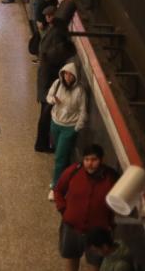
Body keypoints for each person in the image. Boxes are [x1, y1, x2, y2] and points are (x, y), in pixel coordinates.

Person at [54, 144, 119, 271]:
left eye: (94, 160)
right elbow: (58, 190)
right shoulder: (74, 171)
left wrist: (111, 224)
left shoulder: (111, 177)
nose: (89, 163)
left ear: (102, 160)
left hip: (98, 231)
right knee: (71, 257)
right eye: (86, 159)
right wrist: (63, 209)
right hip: (72, 228)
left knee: (94, 263)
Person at [35, 0, 76, 151]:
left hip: (45, 77)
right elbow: (53, 55)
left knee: (45, 113)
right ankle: (42, 144)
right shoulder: (57, 32)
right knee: (46, 113)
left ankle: (42, 143)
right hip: (48, 79)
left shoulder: (51, 29)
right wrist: (70, 48)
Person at [46, 62, 87, 200]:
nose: (67, 77)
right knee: (60, 154)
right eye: (65, 74)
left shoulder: (80, 91)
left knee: (59, 157)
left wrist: (76, 128)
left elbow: (83, 111)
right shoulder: (57, 83)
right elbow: (48, 97)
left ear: (75, 76)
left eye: (71, 75)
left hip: (69, 128)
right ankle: (65, 179)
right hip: (55, 123)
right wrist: (53, 100)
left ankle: (55, 187)